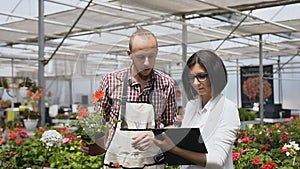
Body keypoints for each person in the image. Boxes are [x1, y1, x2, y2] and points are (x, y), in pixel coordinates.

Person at [81, 26, 177, 168]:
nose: (146, 62)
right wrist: (92, 144)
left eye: (151, 56)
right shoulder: (111, 80)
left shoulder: (166, 83)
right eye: (140, 57)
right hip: (118, 162)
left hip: (151, 163)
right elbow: (99, 120)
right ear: (129, 54)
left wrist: (156, 137)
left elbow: (171, 125)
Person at [153, 50, 240, 169]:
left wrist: (175, 149)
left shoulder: (227, 109)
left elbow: (216, 162)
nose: (195, 83)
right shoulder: (192, 106)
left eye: (202, 76)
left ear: (215, 74)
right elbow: (187, 143)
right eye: (191, 78)